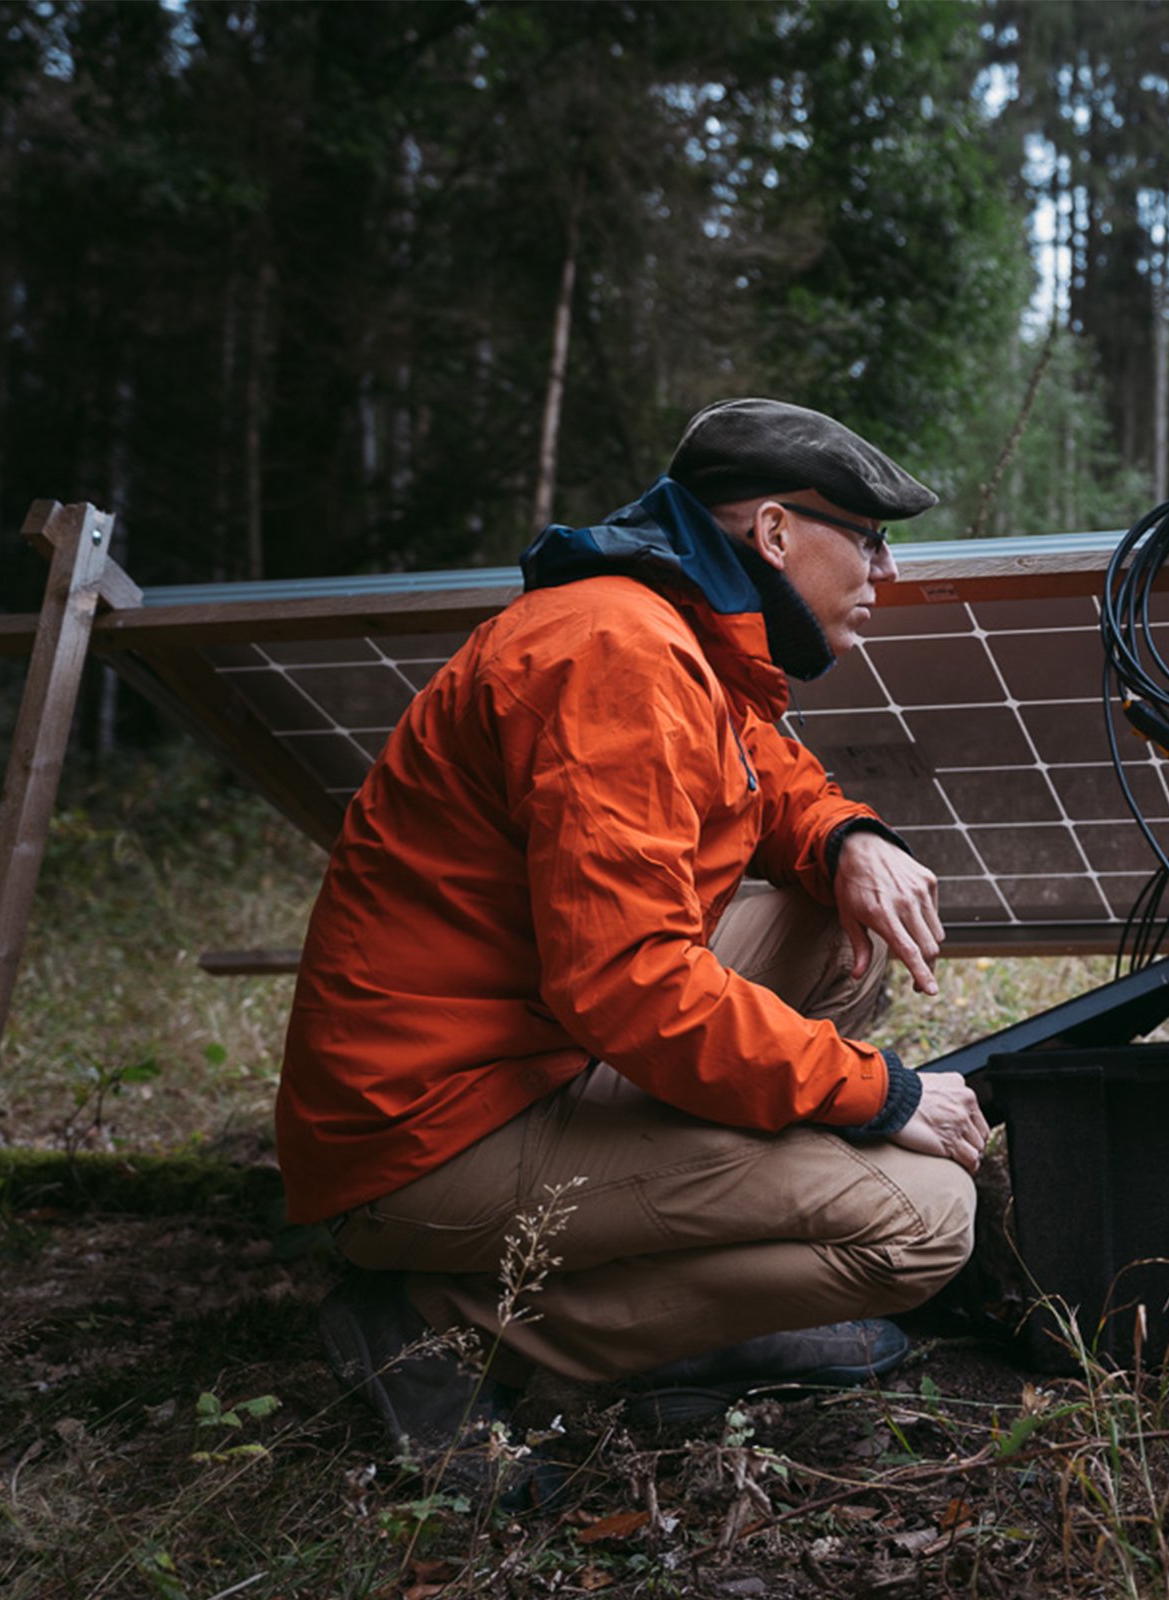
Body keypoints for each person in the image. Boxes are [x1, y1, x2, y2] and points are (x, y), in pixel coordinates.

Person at [278, 399, 988, 1481]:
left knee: (819, 916)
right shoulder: (615, 652)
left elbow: (757, 760)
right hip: (427, 1131)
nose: (884, 570)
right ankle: (442, 1325)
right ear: (778, 533)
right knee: (924, 1220)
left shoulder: (675, 624)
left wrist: (844, 836)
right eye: (872, 538)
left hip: (534, 1045)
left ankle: (685, 1290)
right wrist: (883, 1094)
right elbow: (633, 986)